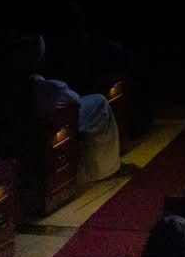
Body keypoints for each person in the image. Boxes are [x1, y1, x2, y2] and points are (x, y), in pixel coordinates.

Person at [14, 33, 120, 183]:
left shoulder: (15, 91)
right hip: (56, 129)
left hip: (37, 133)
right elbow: (74, 99)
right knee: (100, 102)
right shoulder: (49, 88)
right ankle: (106, 170)